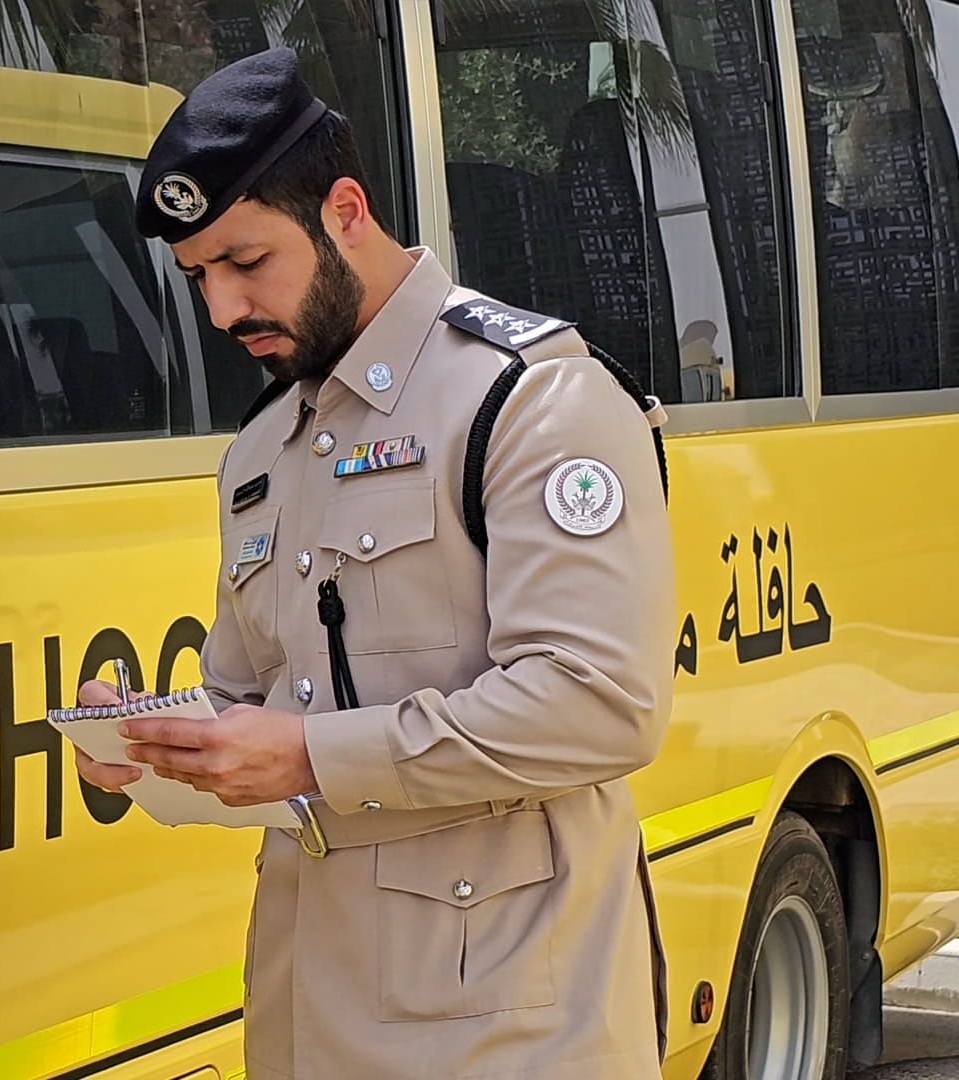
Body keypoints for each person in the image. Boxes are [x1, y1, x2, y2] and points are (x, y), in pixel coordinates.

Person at [73, 49, 675, 1079]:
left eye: (246, 261)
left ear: (345, 209)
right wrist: (146, 742)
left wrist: (311, 756)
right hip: (313, 1019)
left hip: (510, 1033)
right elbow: (248, 693)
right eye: (196, 278)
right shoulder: (262, 451)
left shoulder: (528, 401)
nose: (221, 311)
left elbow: (601, 701)